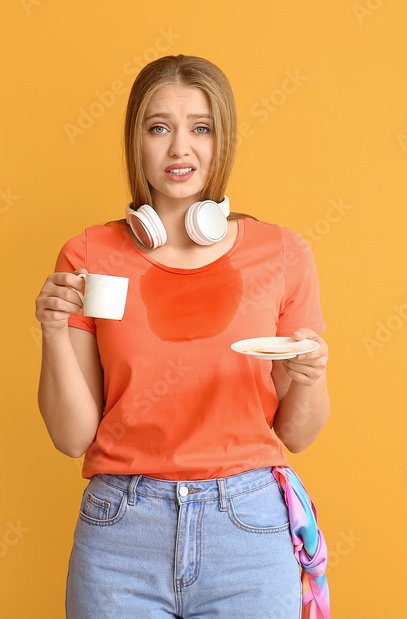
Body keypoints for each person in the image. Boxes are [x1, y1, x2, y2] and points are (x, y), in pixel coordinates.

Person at [35, 54, 331, 618]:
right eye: (159, 128)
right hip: (121, 530)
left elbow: (299, 432)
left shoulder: (283, 254)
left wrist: (312, 377)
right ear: (136, 141)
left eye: (201, 128)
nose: (180, 149)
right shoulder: (91, 255)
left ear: (223, 142)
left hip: (247, 528)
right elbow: (73, 436)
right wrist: (52, 330)